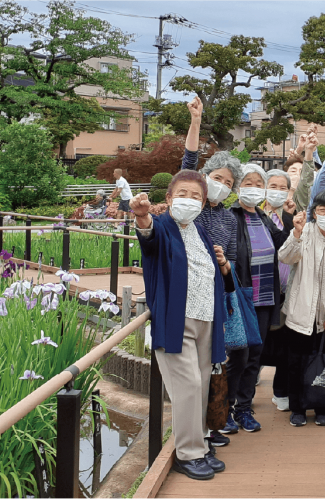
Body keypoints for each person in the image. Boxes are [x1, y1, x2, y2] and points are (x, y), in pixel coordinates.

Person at [131, 169, 232, 481]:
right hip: (177, 321)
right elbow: (148, 239)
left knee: (201, 385)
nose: (190, 201)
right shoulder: (162, 225)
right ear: (170, 198)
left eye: (196, 196)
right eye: (183, 194)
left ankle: (200, 443)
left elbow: (215, 274)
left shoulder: (200, 232)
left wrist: (223, 263)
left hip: (206, 320)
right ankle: (188, 454)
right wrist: (142, 218)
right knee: (187, 387)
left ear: (204, 203)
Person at [180, 97, 240, 447]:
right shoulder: (193, 206)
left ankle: (212, 424)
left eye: (228, 182)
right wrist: (196, 123)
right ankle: (196, 432)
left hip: (215, 298)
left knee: (213, 365)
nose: (222, 185)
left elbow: (231, 263)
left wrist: (225, 264)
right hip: (189, 297)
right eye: (217, 178)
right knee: (192, 370)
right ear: (205, 178)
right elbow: (187, 162)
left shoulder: (229, 218)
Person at [278, 189, 325, 427]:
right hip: (300, 313)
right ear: (314, 213)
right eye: (322, 209)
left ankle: (323, 407)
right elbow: (285, 257)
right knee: (297, 363)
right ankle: (298, 408)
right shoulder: (305, 232)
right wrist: (297, 233)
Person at [226, 162, 294, 432]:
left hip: (266, 298)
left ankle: (244, 409)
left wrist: (295, 226)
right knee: (238, 356)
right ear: (238, 186)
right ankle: (226, 408)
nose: (254, 189)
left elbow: (284, 245)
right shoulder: (231, 216)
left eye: (258, 184)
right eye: (248, 183)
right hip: (241, 297)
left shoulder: (265, 219)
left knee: (255, 355)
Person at [260, 168, 298, 412]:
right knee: (257, 344)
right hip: (260, 290)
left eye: (282, 187)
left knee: (286, 345)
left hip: (286, 290)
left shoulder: (291, 215)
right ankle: (244, 396)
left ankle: (281, 391)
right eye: (272, 186)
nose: (277, 191)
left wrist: (288, 217)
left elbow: (288, 246)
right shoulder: (254, 214)